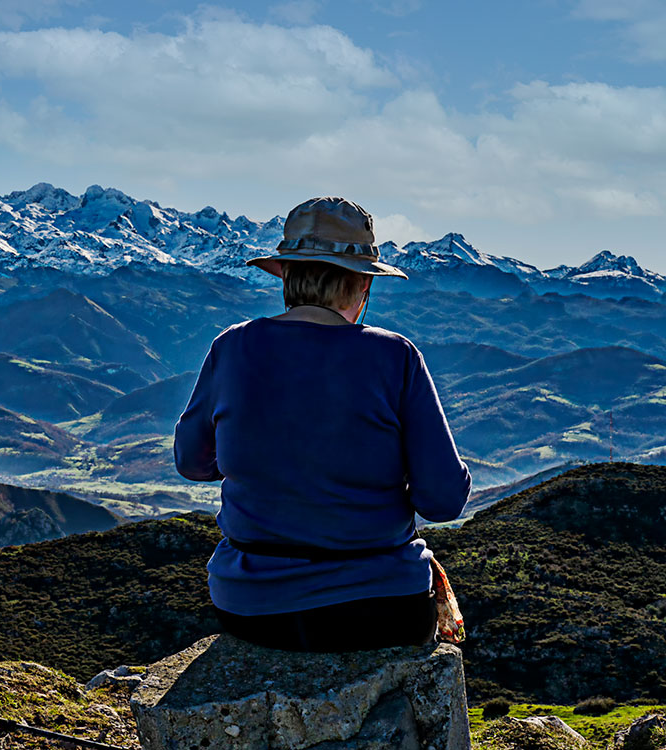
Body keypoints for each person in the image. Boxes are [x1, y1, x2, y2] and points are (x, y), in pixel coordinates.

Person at [172, 196, 471, 652]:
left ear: (287, 277)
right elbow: (445, 500)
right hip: (381, 607)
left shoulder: (232, 348)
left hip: (251, 607)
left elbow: (192, 462)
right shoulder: (395, 356)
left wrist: (265, 465)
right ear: (362, 286)